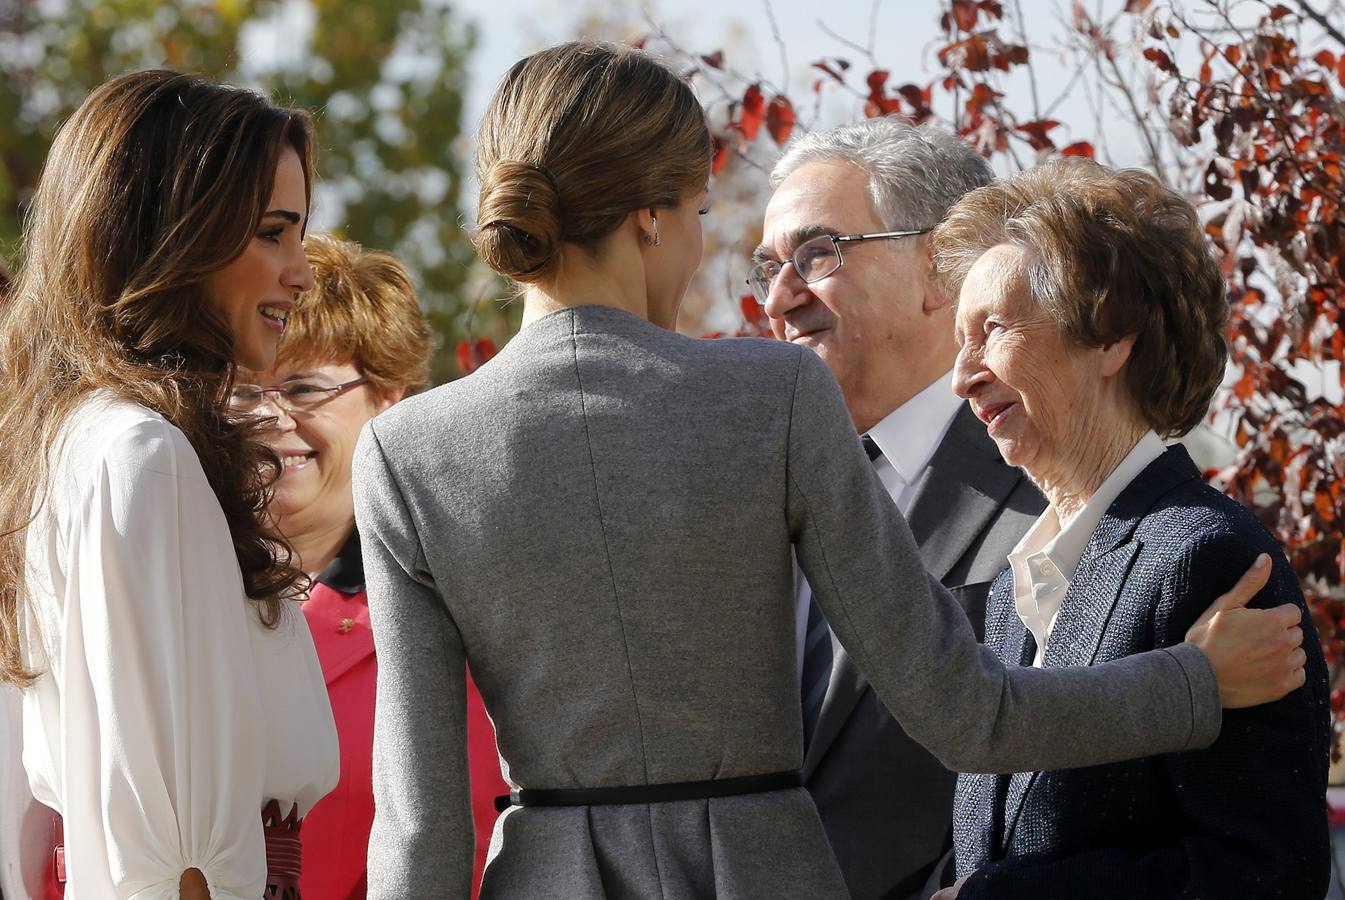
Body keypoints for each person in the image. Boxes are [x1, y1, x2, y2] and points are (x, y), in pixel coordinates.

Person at [354, 41, 1305, 900]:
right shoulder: (769, 395)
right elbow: (963, 713)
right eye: (697, 213)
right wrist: (1189, 683)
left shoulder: (403, 451)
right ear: (649, 218)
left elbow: (420, 825)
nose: (701, 251)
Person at [933, 159, 1330, 899]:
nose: (962, 375)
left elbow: (1271, 874)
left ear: (1109, 333)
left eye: (989, 329)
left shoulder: (1208, 558)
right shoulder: (1014, 582)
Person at [0, 70, 339, 899]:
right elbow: (178, 859)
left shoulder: (75, 444)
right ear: (171, 236)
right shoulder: (137, 456)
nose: (301, 272)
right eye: (271, 232)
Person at [755, 118, 1045, 900]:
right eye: (767, 267)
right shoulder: (744, 495)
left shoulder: (1052, 493)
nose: (779, 298)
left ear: (940, 266)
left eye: (815, 255)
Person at [233, 233, 507, 899]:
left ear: (387, 397)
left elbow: (468, 853)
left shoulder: (453, 607)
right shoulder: (177, 588)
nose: (269, 419)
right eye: (243, 392)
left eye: (301, 387)